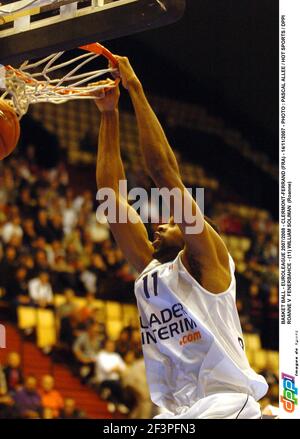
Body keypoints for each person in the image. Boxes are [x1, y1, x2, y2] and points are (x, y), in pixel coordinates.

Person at [93, 55, 268, 419]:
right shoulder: (152, 273)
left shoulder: (209, 264)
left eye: (171, 222)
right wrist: (109, 114)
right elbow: (110, 196)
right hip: (178, 410)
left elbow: (162, 171)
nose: (159, 225)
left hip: (224, 401)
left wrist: (136, 90)